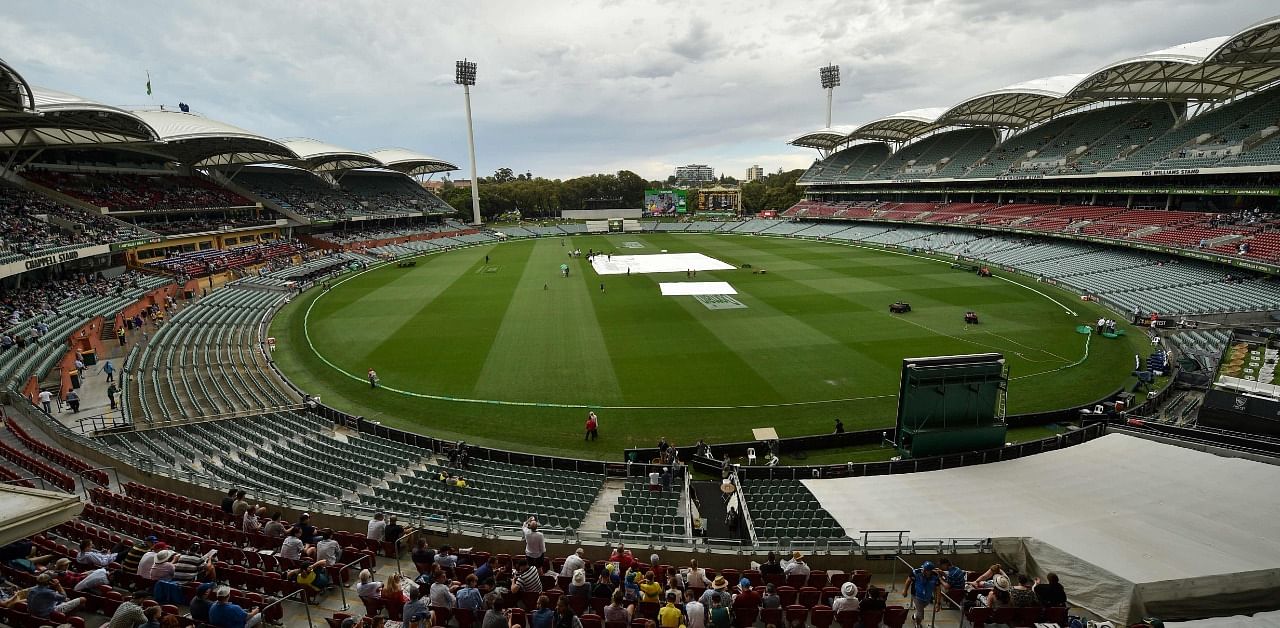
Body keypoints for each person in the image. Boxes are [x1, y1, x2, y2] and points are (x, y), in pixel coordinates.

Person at [904, 561, 941, 628]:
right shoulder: (916, 572)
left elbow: (938, 589)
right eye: (923, 568)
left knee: (920, 610)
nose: (923, 570)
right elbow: (908, 580)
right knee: (921, 612)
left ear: (930, 571)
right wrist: (905, 591)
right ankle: (917, 624)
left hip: (927, 597)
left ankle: (915, 616)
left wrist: (938, 603)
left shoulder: (935, 576)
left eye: (926, 570)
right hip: (916, 595)